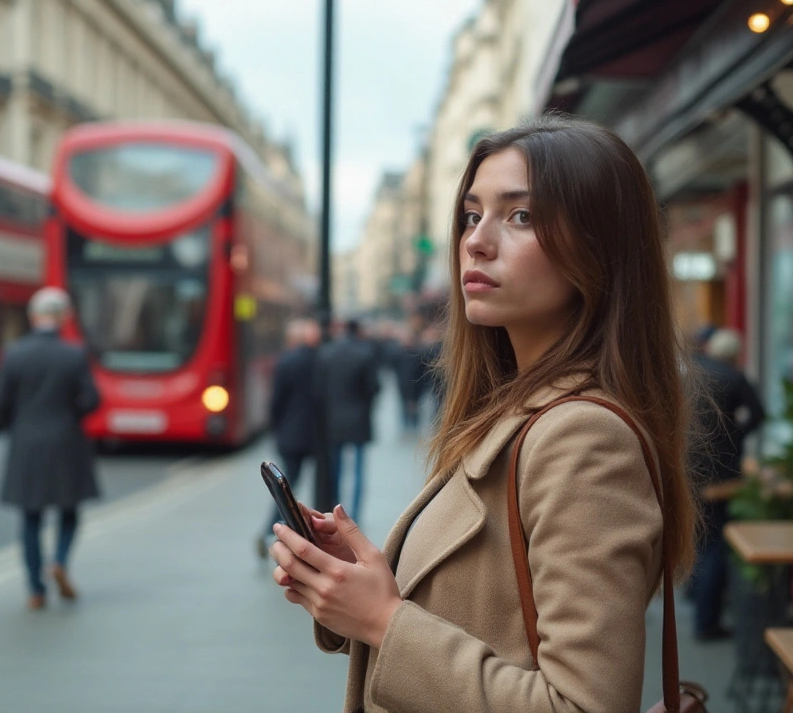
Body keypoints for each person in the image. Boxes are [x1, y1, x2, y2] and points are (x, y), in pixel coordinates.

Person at [268, 116, 697, 712]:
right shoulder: (511, 412)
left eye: (520, 216)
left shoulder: (583, 437)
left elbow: (582, 705)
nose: (476, 239)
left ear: (600, 247)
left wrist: (384, 620)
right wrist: (358, 587)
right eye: (473, 214)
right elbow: (487, 621)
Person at [0, 287, 101, 610]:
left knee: (30, 517)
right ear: (64, 317)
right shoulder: (75, 354)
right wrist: (70, 415)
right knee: (69, 511)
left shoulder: (14, 354)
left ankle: (35, 589)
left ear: (32, 316)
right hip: (66, 440)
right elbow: (92, 399)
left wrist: (20, 424)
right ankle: (60, 561)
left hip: (26, 442)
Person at [691, 327, 766, 641]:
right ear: (735, 354)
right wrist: (736, 435)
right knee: (718, 546)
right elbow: (759, 416)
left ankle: (696, 598)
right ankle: (706, 620)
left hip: (692, 469)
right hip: (723, 471)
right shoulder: (736, 378)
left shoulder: (694, 375)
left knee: (700, 537)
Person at [257, 318, 322, 558]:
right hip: (317, 433)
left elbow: (276, 402)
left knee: (286, 486)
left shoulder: (285, 362)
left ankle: (270, 530)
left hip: (291, 433)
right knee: (323, 481)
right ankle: (318, 530)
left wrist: (276, 428)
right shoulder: (318, 359)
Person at [314, 319, 380, 520]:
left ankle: (337, 511)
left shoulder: (327, 354)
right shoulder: (365, 354)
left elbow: (318, 390)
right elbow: (374, 388)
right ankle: (355, 515)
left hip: (334, 420)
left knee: (336, 469)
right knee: (359, 471)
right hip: (359, 419)